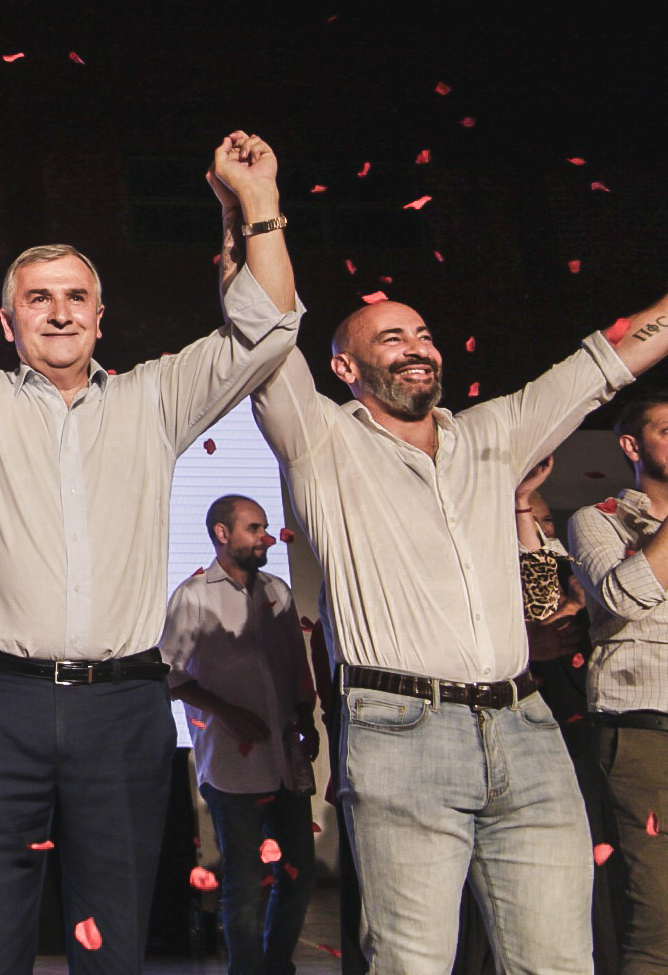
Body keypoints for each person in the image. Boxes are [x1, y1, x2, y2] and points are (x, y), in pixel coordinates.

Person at [0, 117, 301, 975]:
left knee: (113, 941)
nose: (59, 311)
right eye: (38, 299)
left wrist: (259, 202)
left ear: (99, 315)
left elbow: (269, 327)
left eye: (75, 296)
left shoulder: (154, 400)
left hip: (120, 706)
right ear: (8, 321)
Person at [250, 285, 668, 974]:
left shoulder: (493, 432)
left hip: (524, 727)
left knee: (560, 961)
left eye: (422, 333)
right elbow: (264, 339)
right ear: (345, 369)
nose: (416, 347)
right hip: (403, 729)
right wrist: (257, 211)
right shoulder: (322, 442)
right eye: (391, 338)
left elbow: (610, 361)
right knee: (413, 963)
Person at [162, 494, 318, 975]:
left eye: (267, 527)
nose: (265, 537)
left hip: (284, 757)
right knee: (246, 879)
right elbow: (167, 674)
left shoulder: (278, 591)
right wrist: (224, 710)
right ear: (221, 533)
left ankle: (276, 966)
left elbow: (296, 663)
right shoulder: (193, 596)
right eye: (254, 528)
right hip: (232, 762)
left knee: (299, 872)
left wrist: (307, 718)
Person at [569, 391, 668, 975]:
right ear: (633, 446)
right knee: (657, 917)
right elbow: (623, 595)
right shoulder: (599, 519)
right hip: (644, 728)